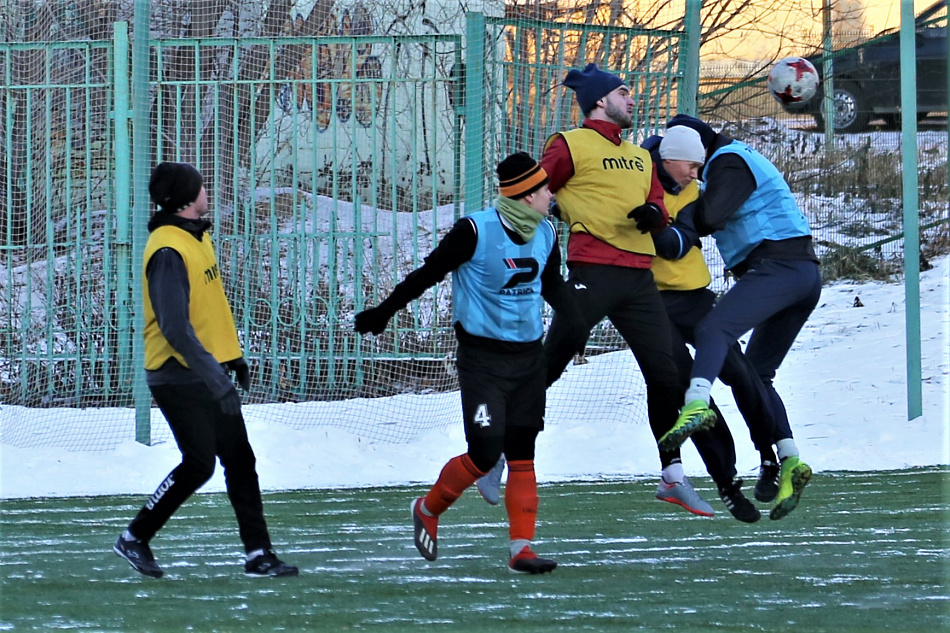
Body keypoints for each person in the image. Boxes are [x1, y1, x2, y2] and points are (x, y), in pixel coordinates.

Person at [354, 152, 586, 573]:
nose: (551, 194)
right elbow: (429, 273)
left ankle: (521, 549)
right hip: (483, 361)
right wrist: (384, 311)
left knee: (522, 453)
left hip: (529, 359)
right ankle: (427, 508)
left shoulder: (548, 231)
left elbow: (549, 283)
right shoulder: (475, 230)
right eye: (544, 188)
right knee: (483, 452)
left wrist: (578, 318)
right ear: (525, 195)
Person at [539, 63, 716, 516]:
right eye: (623, 92)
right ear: (599, 101)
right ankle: (500, 448)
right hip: (592, 272)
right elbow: (535, 194)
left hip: (639, 279)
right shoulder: (569, 144)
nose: (632, 98)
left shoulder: (640, 157)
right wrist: (546, 220)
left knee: (667, 376)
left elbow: (659, 206)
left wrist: (655, 217)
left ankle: (672, 476)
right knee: (549, 364)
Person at [113, 162, 298, 578]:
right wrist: (217, 379)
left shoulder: (195, 237)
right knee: (199, 464)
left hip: (206, 372)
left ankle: (258, 554)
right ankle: (134, 537)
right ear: (185, 199)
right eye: (200, 186)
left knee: (239, 460)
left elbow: (206, 310)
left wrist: (231, 358)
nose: (205, 191)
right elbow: (175, 329)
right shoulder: (167, 250)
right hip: (178, 376)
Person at [661, 114, 821, 520]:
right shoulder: (732, 158)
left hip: (779, 268)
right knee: (757, 373)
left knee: (714, 327)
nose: (691, 173)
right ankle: (787, 459)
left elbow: (712, 215)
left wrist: (679, 225)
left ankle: (696, 402)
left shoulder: (727, 161)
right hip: (794, 272)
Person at [645, 125, 784, 523]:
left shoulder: (691, 187)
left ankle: (768, 456)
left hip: (695, 295)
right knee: (683, 387)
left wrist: (658, 228)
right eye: (690, 166)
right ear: (668, 160)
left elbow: (680, 241)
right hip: (650, 302)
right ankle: (726, 483)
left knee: (741, 371)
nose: (695, 175)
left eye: (699, 167)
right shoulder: (635, 176)